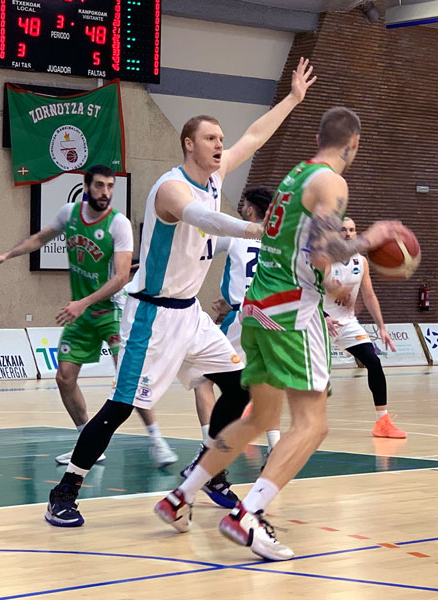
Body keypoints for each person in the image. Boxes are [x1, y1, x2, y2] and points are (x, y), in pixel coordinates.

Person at [44, 58, 316, 528]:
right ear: (189, 144)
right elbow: (205, 218)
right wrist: (256, 228)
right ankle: (64, 492)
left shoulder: (214, 177)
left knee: (241, 386)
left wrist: (292, 99)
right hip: (151, 316)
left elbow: (254, 136)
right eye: (211, 139)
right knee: (121, 407)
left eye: (221, 139)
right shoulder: (171, 188)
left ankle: (208, 469)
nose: (220, 145)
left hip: (190, 315)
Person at [154, 106, 406, 561]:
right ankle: (248, 514)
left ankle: (180, 496)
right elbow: (323, 251)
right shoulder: (332, 182)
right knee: (312, 424)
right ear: (354, 144)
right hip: (293, 312)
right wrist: (369, 240)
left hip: (256, 309)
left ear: (318, 138)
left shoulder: (295, 176)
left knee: (260, 419)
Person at [0, 166, 176, 467]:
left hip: (112, 310)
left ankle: (157, 439)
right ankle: (89, 442)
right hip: (82, 314)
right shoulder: (70, 214)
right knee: (64, 377)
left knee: (128, 377)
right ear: (86, 187)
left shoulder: (118, 224)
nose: (105, 192)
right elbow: (40, 238)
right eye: (99, 185)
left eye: (110, 186)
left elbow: (121, 277)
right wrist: (6, 255)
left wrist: (83, 302)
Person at [185, 186, 281, 500]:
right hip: (272, 319)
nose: (240, 208)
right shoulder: (277, 240)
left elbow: (200, 245)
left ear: (250, 210)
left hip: (242, 318)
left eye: (243, 204)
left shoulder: (236, 235)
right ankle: (276, 447)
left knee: (203, 381)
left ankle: (207, 455)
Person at [325, 217, 406, 438]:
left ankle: (383, 422)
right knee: (307, 374)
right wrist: (324, 316)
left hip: (347, 323)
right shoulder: (324, 260)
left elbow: (368, 295)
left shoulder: (361, 261)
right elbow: (309, 293)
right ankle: (257, 408)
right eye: (343, 229)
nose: (347, 233)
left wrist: (382, 327)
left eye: (352, 230)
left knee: (373, 361)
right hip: (320, 321)